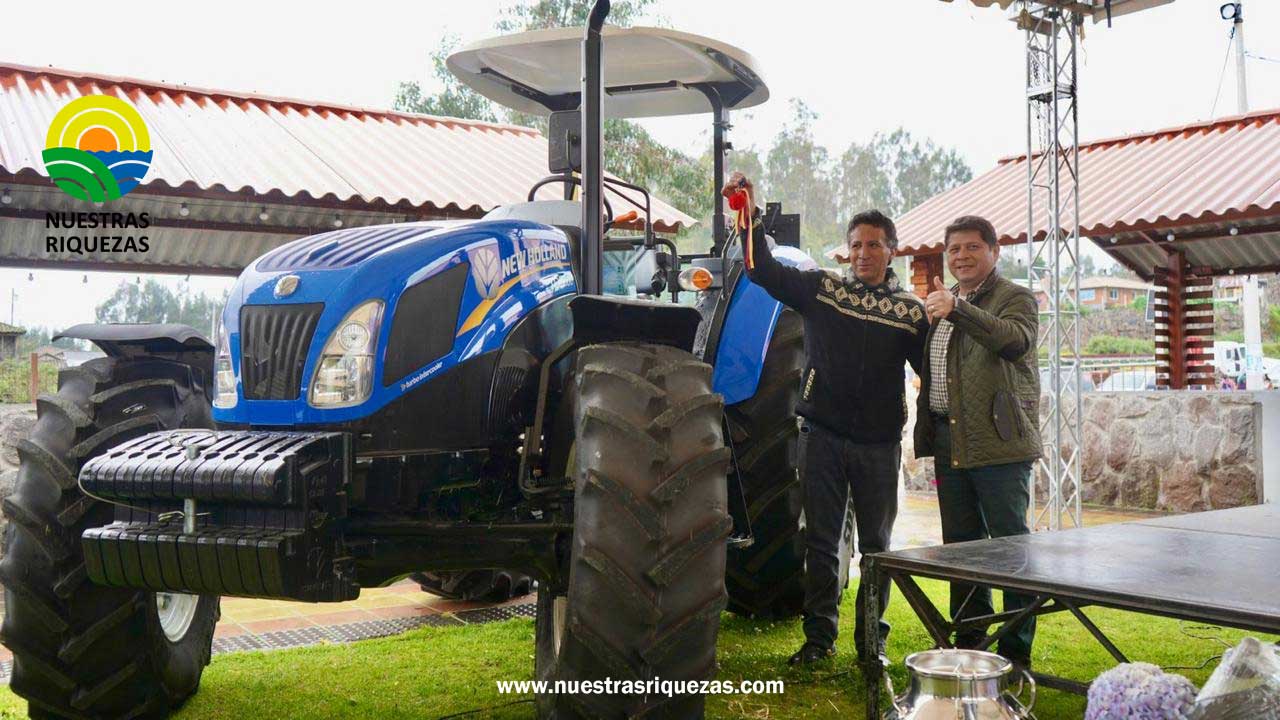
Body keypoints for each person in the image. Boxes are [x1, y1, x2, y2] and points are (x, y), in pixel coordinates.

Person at [721, 172, 929, 667]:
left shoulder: (909, 313)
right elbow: (761, 269)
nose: (862, 253)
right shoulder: (823, 291)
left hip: (878, 446)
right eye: (855, 244)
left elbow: (934, 373)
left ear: (890, 252)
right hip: (822, 438)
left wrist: (949, 321)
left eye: (873, 245)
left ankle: (870, 643)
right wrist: (746, 216)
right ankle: (818, 641)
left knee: (876, 549)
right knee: (821, 543)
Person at [914, 215, 1041, 671]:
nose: (961, 257)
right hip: (951, 439)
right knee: (962, 547)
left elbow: (1014, 342)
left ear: (994, 251)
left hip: (1000, 440)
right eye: (954, 250)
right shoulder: (945, 303)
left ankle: (1015, 651)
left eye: (971, 248)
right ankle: (969, 644)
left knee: (1010, 548)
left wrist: (957, 310)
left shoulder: (1015, 297)